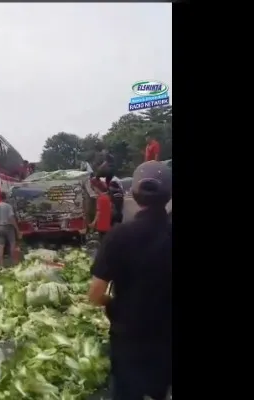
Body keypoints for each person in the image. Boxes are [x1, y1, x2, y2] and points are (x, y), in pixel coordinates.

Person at [88, 160, 172, 400]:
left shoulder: (119, 236)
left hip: (128, 336)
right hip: (166, 338)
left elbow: (95, 295)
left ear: (134, 193)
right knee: (158, 391)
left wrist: (111, 304)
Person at [0, 192, 22, 267]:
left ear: (0, 197)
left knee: (1, 246)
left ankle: (1, 265)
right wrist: (17, 230)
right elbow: (11, 218)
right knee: (12, 244)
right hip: (8, 227)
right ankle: (14, 263)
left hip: (0, 227)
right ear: (6, 197)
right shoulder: (8, 206)